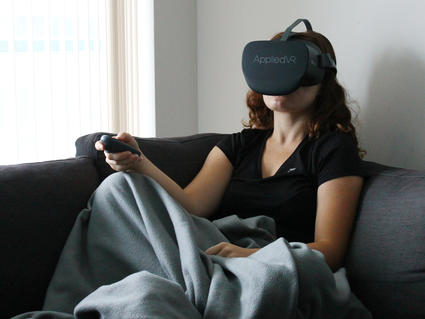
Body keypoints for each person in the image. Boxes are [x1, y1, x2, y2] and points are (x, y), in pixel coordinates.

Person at [95, 30, 367, 274]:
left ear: (322, 79)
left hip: (266, 267)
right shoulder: (240, 145)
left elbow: (330, 252)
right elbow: (192, 206)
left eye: (292, 68)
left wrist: (251, 257)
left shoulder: (332, 149)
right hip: (213, 250)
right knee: (117, 187)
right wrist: (138, 163)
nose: (281, 80)